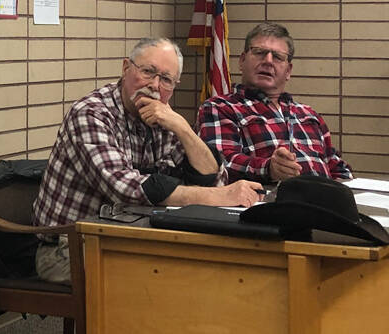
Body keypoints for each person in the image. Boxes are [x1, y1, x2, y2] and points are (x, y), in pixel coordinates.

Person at [32, 38, 263, 283]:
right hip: (70, 248)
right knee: (162, 281)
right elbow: (125, 188)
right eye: (148, 72)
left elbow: (213, 178)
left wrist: (182, 127)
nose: (154, 86)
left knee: (209, 268)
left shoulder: (162, 116)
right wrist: (222, 196)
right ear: (125, 68)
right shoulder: (91, 114)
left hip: (133, 238)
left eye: (165, 79)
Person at [197, 22, 352, 183]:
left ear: (288, 71)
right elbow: (218, 165)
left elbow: (336, 167)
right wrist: (268, 168)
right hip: (267, 204)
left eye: (278, 57)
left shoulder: (309, 114)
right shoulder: (219, 108)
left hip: (325, 202)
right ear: (242, 61)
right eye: (259, 53)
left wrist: (345, 185)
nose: (268, 61)